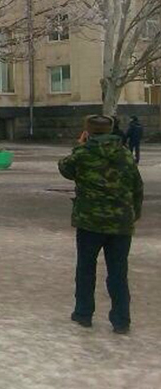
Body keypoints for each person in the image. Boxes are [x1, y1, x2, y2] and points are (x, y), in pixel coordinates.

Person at [59, 115, 143, 334]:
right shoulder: (125, 154)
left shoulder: (83, 154)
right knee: (118, 271)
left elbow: (64, 169)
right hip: (121, 224)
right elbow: (137, 187)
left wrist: (79, 146)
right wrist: (133, 214)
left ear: (88, 131)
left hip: (90, 222)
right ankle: (121, 320)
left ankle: (83, 314)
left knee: (86, 268)